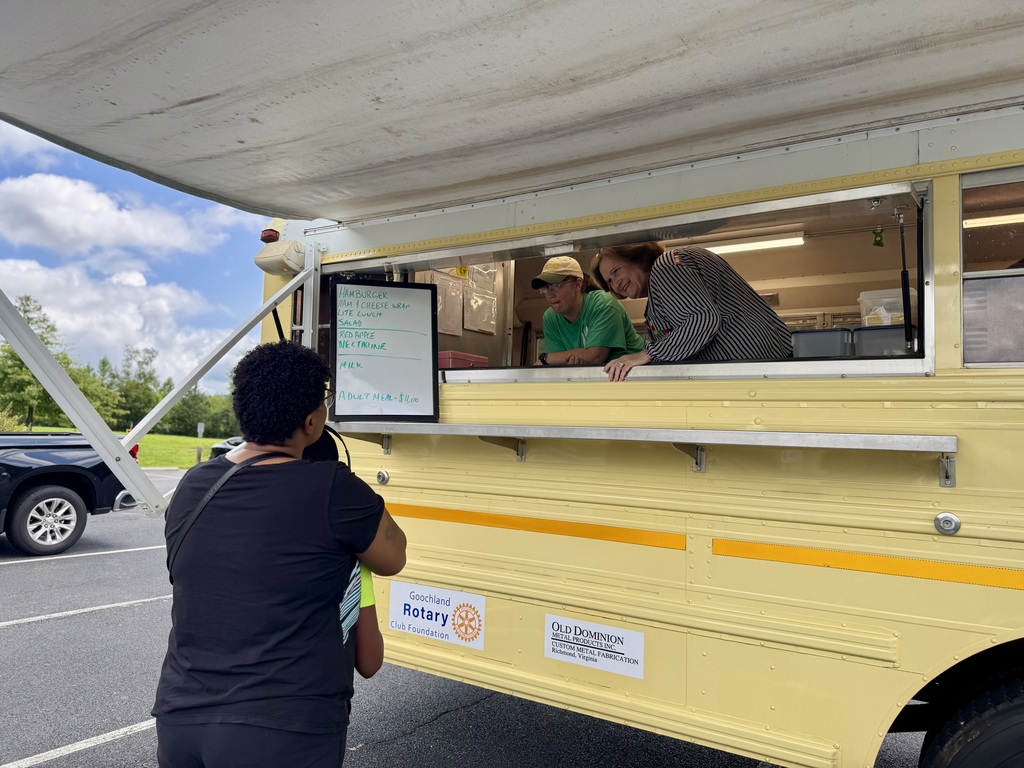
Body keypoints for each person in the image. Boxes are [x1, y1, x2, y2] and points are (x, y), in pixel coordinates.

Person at [152, 341, 407, 768]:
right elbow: (393, 556)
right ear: (311, 421)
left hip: (181, 723)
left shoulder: (193, 486)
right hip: (283, 730)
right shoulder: (331, 487)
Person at [592, 243, 792, 380]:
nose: (615, 283)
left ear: (637, 258)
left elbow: (702, 319)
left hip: (756, 372)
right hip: (763, 370)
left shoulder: (668, 265)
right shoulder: (666, 280)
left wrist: (646, 354)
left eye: (616, 271)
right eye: (609, 281)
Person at [530, 255, 645, 366]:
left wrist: (546, 358)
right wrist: (556, 360)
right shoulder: (550, 317)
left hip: (639, 373)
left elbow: (595, 356)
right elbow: (556, 365)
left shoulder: (603, 303)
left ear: (578, 285)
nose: (550, 294)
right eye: (545, 288)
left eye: (556, 285)